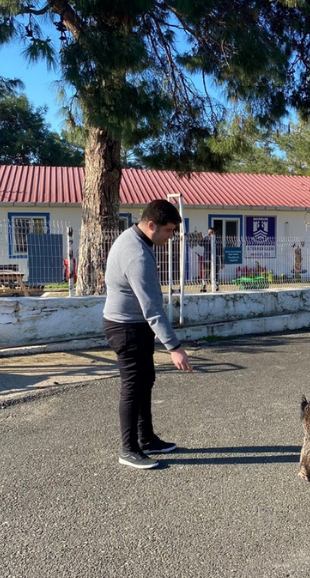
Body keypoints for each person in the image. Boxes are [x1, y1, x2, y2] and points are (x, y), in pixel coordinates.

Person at [103, 200, 193, 470]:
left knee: (145, 381)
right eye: (168, 231)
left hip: (135, 324)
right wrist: (174, 346)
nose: (171, 237)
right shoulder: (137, 255)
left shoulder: (135, 238)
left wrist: (150, 329)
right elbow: (152, 307)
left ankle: (147, 438)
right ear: (151, 225)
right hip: (126, 327)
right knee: (132, 388)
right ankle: (129, 449)